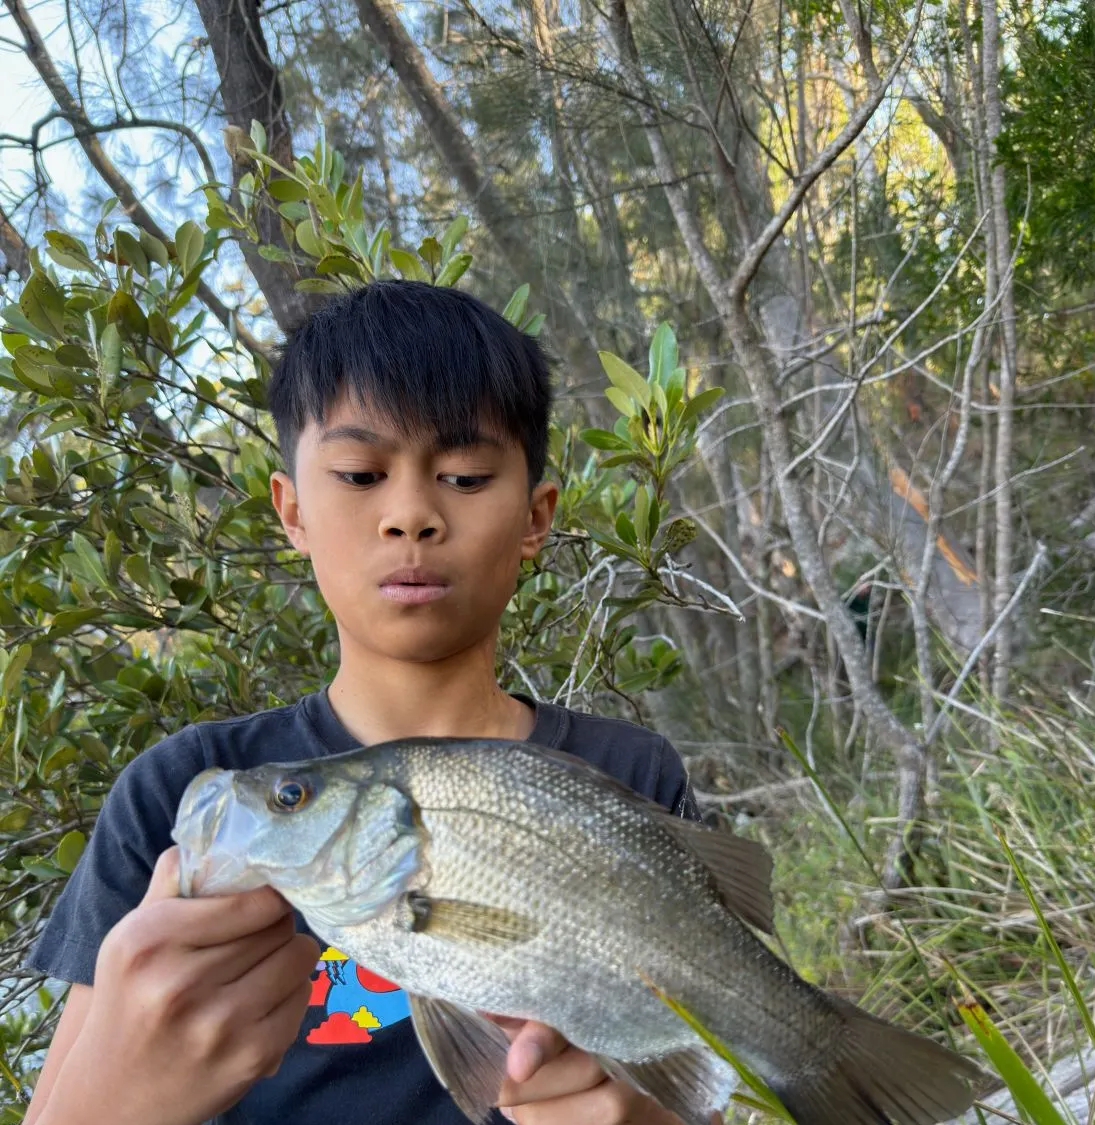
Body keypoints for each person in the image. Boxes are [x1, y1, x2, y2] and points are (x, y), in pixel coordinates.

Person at [23, 281, 709, 1125]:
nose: (410, 515)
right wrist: (120, 1095)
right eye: (358, 474)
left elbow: (699, 1083)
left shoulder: (631, 773)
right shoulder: (173, 790)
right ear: (292, 511)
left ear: (535, 517)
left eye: (463, 476)